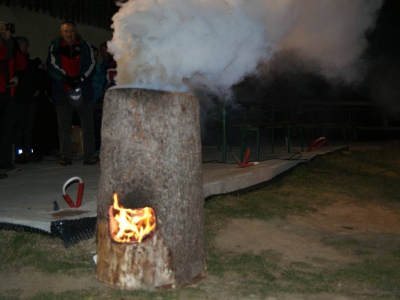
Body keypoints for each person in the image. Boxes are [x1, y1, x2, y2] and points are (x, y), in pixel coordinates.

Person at [46, 20, 99, 166]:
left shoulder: (85, 46)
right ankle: (65, 156)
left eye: (72, 31)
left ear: (76, 31)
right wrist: (65, 78)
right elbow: (51, 66)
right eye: (66, 31)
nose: (69, 34)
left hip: (83, 90)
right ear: (61, 32)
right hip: (62, 91)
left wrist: (80, 78)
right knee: (64, 126)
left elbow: (92, 64)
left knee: (87, 124)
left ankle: (89, 156)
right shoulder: (54, 47)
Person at [0, 21, 27, 177]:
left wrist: (16, 76)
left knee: (7, 129)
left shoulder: (10, 44)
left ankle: (5, 162)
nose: (3, 30)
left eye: (4, 28)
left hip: (7, 92)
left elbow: (19, 62)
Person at [13, 36, 45, 164]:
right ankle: (18, 154)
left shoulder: (31, 63)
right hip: (20, 99)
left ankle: (28, 152)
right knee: (19, 127)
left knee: (29, 127)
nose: (24, 47)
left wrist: (37, 89)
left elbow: (37, 78)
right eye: (21, 45)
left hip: (31, 99)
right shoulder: (16, 62)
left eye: (26, 45)